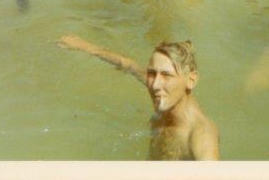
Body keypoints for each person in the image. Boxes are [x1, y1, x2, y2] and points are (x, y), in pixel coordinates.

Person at [58, 35, 219, 160]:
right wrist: (85, 47)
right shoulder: (165, 96)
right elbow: (129, 65)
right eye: (151, 73)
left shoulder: (200, 135)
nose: (155, 84)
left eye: (166, 75)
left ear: (191, 81)